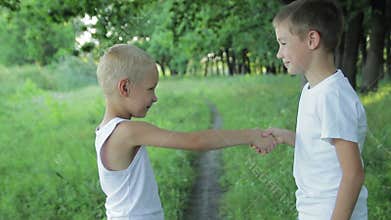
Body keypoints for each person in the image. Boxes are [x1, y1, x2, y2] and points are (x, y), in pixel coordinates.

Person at [94, 44, 276, 220]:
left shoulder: (105, 131)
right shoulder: (126, 131)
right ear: (125, 87)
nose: (155, 97)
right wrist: (250, 135)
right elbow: (195, 141)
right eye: (150, 89)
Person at [263, 0, 368, 219]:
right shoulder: (313, 90)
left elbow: (353, 173)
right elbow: (323, 145)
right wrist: (288, 137)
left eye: (283, 43)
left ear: (312, 40)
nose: (279, 54)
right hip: (312, 210)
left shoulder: (333, 96)